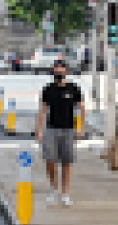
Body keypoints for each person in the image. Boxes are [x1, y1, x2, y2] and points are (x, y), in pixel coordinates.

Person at [35, 58, 86, 205]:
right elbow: (42, 110)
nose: (58, 74)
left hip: (69, 130)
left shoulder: (74, 89)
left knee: (67, 162)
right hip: (51, 129)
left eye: (60, 72)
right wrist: (39, 130)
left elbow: (82, 109)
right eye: (55, 72)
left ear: (66, 72)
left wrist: (80, 128)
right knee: (50, 160)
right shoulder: (48, 89)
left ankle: (65, 192)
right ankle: (53, 187)